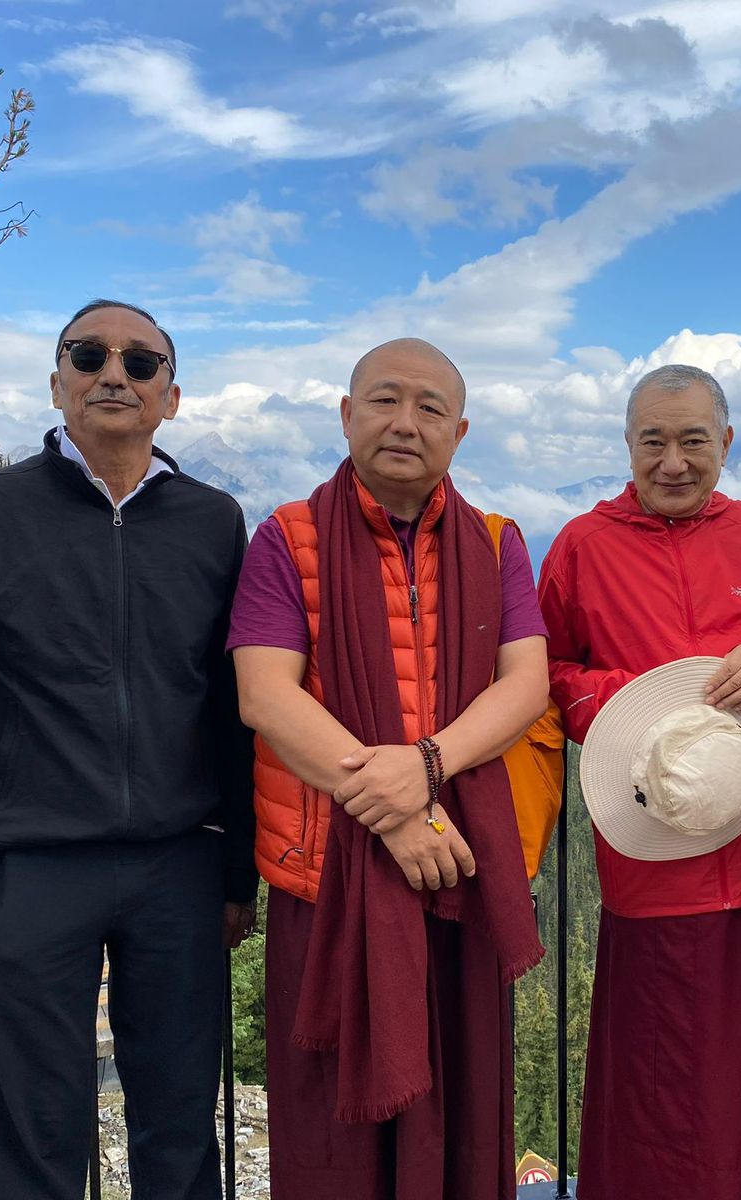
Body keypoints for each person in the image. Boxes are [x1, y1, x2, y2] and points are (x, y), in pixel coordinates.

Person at [0, 299, 255, 1200]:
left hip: (180, 870)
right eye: (89, 355)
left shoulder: (215, 522)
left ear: (171, 396)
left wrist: (235, 871)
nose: (113, 374)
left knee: (180, 1130)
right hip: (28, 874)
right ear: (58, 382)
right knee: (32, 1139)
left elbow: (233, 710)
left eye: (141, 362)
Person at [229, 337, 548, 1200]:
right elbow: (265, 695)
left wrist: (428, 765)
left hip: (458, 873)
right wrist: (401, 811)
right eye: (383, 400)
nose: (405, 422)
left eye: (430, 407)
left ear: (459, 431)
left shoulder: (497, 543)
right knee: (333, 1137)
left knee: (463, 1115)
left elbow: (526, 685)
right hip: (327, 880)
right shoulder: (289, 537)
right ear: (346, 415)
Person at [537, 364, 741, 1200]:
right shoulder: (582, 547)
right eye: (653, 442)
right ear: (628, 446)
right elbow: (545, 672)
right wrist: (618, 703)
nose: (674, 462)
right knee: (663, 1064)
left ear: (725, 443)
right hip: (654, 844)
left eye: (694, 440)